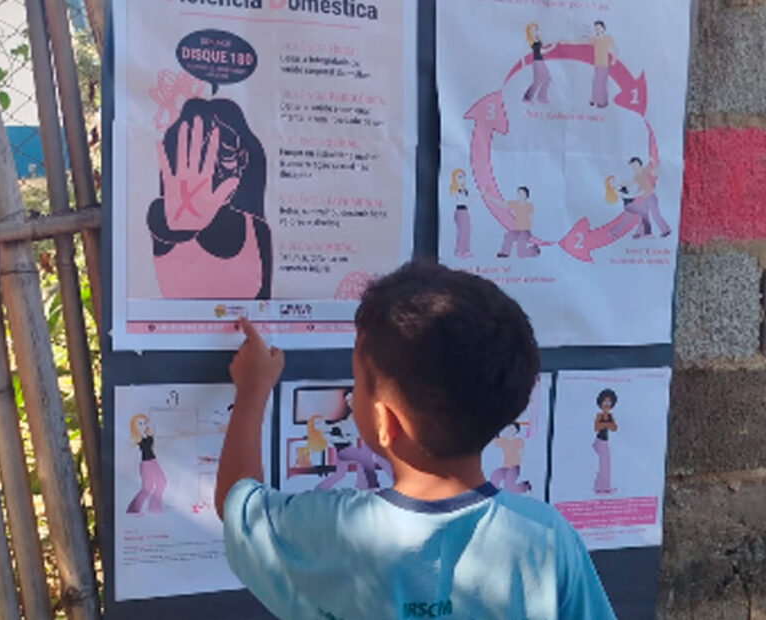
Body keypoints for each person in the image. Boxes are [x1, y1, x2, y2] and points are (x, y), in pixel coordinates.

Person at [216, 262, 616, 619]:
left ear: (385, 422)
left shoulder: (338, 532)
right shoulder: (548, 539)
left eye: (358, 383)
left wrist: (252, 390)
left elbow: (238, 503)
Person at [148, 98, 273, 299]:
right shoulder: (164, 216)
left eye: (227, 155)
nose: (217, 172)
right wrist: (186, 222)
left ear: (243, 160)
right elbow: (164, 228)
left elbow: (266, 306)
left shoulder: (257, 229)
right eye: (205, 157)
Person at [126, 414, 167, 515]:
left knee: (161, 482)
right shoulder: (136, 439)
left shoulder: (146, 436)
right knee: (147, 487)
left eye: (145, 423)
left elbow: (151, 444)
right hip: (146, 464)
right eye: (140, 424)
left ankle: (154, 506)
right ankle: (133, 509)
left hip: (153, 461)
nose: (144, 425)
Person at [623, 157, 672, 238]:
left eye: (635, 165)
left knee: (655, 214)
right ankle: (639, 233)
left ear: (640, 164)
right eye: (633, 166)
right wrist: (622, 185)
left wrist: (654, 163)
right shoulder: (636, 176)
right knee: (642, 216)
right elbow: (630, 183)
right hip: (643, 198)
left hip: (651, 197)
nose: (634, 167)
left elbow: (656, 172)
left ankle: (666, 230)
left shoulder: (645, 170)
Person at [489, 187, 540, 258]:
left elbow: (531, 219)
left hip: (525, 231)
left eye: (522, 194)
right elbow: (502, 204)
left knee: (521, 253)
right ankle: (505, 252)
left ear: (526, 195)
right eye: (519, 193)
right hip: (517, 230)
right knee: (508, 236)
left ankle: (534, 250)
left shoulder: (529, 206)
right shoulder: (515, 204)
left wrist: (530, 232)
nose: (520, 195)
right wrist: (488, 197)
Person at [490, 422, 532, 494]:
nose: (509, 430)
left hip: (514, 467)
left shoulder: (518, 441)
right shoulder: (504, 441)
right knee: (495, 475)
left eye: (512, 429)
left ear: (516, 431)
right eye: (509, 428)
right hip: (506, 467)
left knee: (509, 487)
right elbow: (493, 442)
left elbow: (521, 455)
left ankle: (525, 486)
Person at [605, 175, 651, 239]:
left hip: (630, 205)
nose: (613, 183)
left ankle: (612, 232)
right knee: (641, 215)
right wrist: (639, 193)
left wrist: (637, 181)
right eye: (611, 182)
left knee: (626, 221)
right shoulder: (616, 190)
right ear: (609, 185)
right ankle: (641, 232)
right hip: (630, 205)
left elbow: (629, 183)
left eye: (613, 181)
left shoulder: (620, 186)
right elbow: (628, 196)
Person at [585, 21, 619, 108]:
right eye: (596, 28)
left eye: (599, 27)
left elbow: (615, 49)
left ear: (603, 28)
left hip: (604, 64)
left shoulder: (608, 38)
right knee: (596, 82)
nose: (597, 29)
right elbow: (582, 42)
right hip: (597, 64)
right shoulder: (594, 40)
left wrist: (614, 60)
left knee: (602, 82)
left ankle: (603, 101)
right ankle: (595, 99)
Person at [523, 22, 557, 104]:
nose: (535, 31)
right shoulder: (531, 41)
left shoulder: (538, 39)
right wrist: (552, 47)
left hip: (540, 60)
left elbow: (541, 51)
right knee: (539, 80)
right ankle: (528, 97)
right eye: (533, 30)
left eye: (536, 29)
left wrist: (552, 47)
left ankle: (541, 97)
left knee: (547, 78)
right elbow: (537, 51)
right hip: (536, 61)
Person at [593, 389, 619, 495]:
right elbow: (596, 427)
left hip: (605, 441)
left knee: (606, 464)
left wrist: (606, 425)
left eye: (609, 403)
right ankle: (599, 486)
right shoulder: (599, 415)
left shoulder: (610, 416)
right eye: (604, 402)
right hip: (600, 440)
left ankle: (605, 486)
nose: (606, 405)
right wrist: (606, 425)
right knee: (602, 464)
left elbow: (614, 427)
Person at [449, 168, 473, 259]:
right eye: (459, 177)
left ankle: (466, 250)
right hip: (460, 211)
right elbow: (458, 201)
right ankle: (459, 251)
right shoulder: (454, 190)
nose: (462, 179)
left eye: (463, 177)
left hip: (465, 211)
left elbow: (469, 201)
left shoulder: (465, 190)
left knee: (467, 231)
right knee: (462, 232)